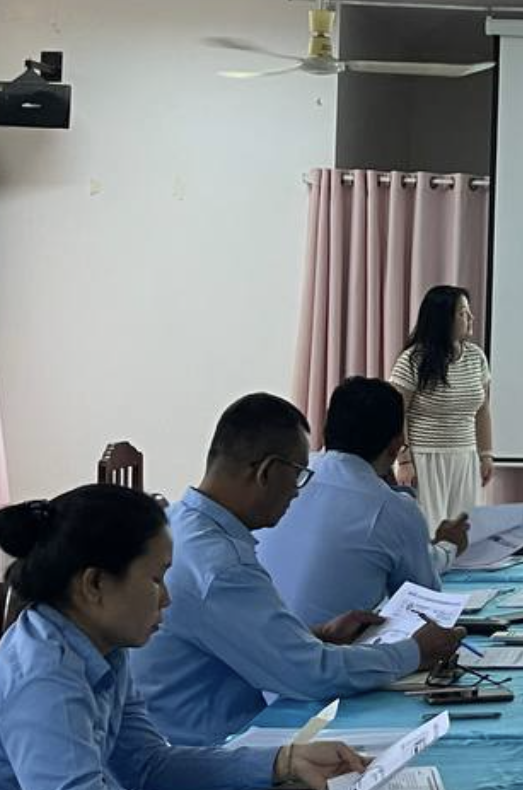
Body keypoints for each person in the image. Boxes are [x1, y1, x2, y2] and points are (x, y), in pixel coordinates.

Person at [131, 393, 464, 746]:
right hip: (208, 748)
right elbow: (311, 675)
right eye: (299, 474)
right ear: (267, 472)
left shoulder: (178, 522)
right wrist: (414, 652)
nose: (297, 491)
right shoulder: (220, 565)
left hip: (188, 732)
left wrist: (313, 636)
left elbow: (233, 636)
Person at [0, 484, 366, 790]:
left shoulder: (102, 646)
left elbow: (147, 766)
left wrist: (283, 761)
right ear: (94, 584)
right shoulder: (45, 680)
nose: (166, 598)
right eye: (155, 579)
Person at [258, 377, 471, 626]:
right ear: (396, 445)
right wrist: (448, 547)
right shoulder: (393, 508)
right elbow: (423, 605)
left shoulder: (286, 479)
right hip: (328, 646)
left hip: (257, 638)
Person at [390, 285, 495, 531]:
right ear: (443, 319)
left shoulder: (476, 357)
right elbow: (395, 412)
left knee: (465, 531)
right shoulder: (413, 359)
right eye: (463, 313)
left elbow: (482, 410)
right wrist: (404, 460)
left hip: (465, 457)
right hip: (424, 458)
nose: (471, 318)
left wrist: (486, 454)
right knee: (429, 531)